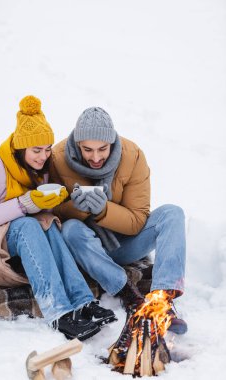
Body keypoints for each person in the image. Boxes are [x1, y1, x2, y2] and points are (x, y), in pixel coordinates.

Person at [0, 98, 116, 341]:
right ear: (20, 148)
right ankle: (58, 312)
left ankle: (82, 301)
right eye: (36, 150)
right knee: (28, 224)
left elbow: (37, 211)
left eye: (48, 149)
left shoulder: (40, 168)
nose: (43, 156)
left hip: (16, 243)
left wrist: (53, 200)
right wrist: (27, 203)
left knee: (48, 223)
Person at [50, 106, 187, 335]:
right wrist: (78, 209)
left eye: (102, 149)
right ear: (77, 144)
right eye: (87, 150)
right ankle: (127, 293)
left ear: (112, 142)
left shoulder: (132, 156)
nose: (95, 157)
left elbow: (137, 219)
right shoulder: (57, 157)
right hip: (84, 249)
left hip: (125, 244)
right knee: (72, 229)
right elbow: (51, 212)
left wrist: (102, 210)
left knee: (172, 213)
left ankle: (163, 301)